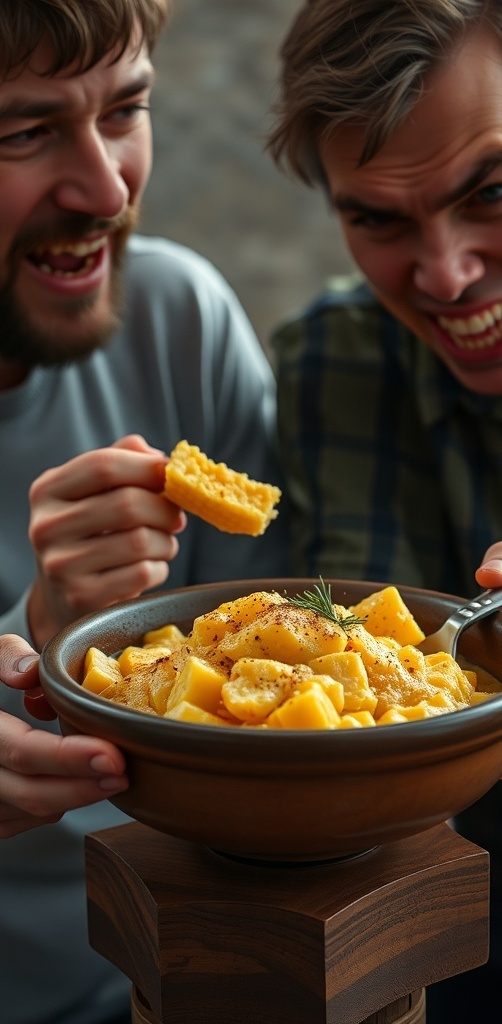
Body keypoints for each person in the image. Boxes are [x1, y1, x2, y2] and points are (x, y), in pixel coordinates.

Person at [267, 1, 502, 1021]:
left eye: (492, 192)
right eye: (380, 219)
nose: (444, 276)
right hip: (441, 926)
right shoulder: (331, 368)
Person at [0, 2, 287, 1023]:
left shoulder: (182, 320)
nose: (108, 185)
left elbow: (296, 693)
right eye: (24, 133)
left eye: (126, 110)